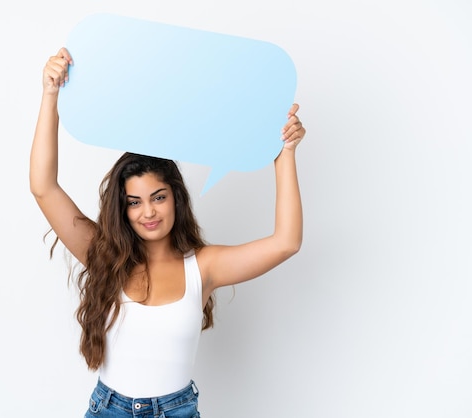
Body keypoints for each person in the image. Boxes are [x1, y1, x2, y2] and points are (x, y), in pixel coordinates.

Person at [30, 47, 306, 418]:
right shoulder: (103, 254)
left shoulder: (204, 267)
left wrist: (284, 153)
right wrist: (50, 96)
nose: (148, 212)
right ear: (122, 208)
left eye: (158, 197)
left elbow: (286, 242)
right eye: (134, 201)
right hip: (109, 410)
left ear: (176, 197)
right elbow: (43, 187)